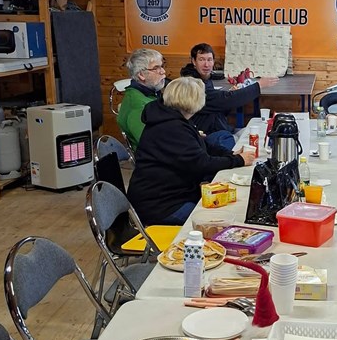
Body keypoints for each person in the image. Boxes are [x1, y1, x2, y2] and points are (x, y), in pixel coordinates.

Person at [127, 77, 255, 225]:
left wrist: (231, 155)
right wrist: (239, 160)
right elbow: (202, 164)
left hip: (170, 196)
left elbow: (202, 146)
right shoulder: (172, 128)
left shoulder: (172, 118)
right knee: (222, 221)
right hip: (161, 206)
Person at [180, 42, 278, 150]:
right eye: (201, 59)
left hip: (220, 130)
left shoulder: (205, 79)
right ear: (194, 61)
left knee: (258, 133)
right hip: (210, 138)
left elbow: (219, 104)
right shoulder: (192, 84)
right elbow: (226, 100)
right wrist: (259, 85)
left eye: (209, 59)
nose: (206, 64)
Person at [116, 48, 166, 152]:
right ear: (141, 75)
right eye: (156, 68)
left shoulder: (150, 95)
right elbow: (151, 143)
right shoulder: (138, 105)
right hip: (155, 158)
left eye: (161, 66)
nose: (163, 71)